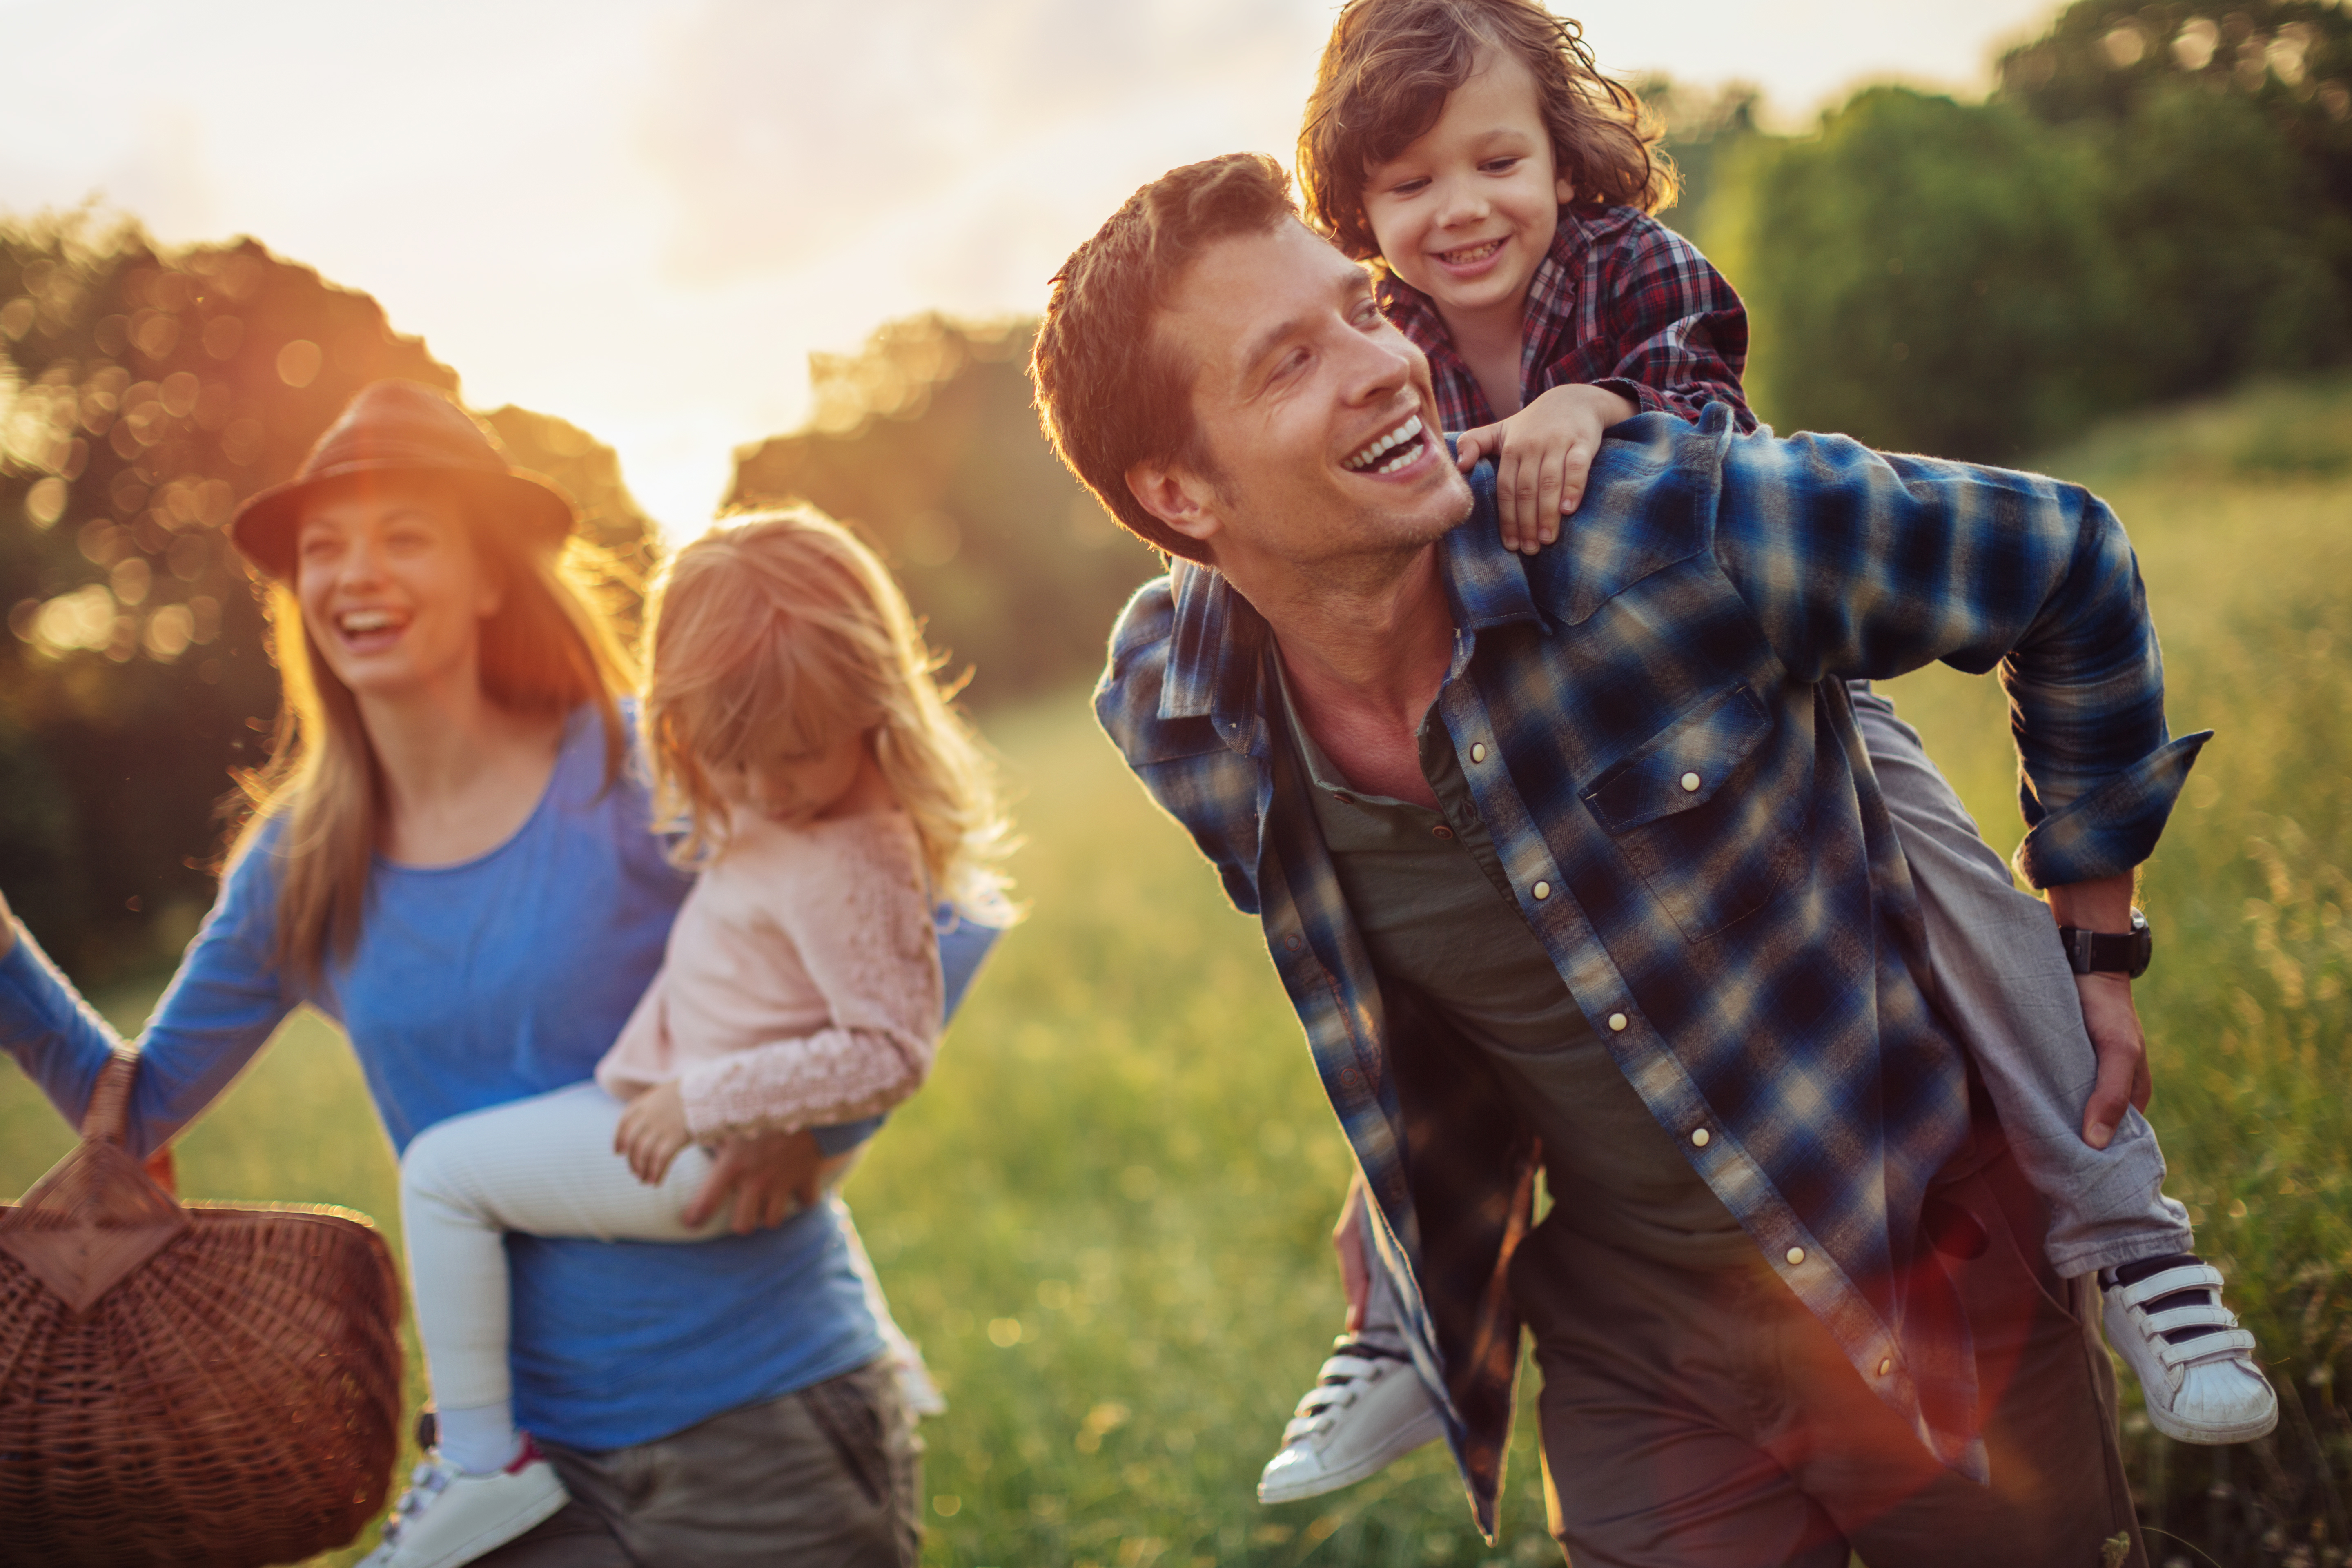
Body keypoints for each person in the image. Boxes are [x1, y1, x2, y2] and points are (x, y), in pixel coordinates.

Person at [1030, 152, 2267, 1564]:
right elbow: (1426, 967)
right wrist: (1397, 1198)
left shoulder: (1669, 533)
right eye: (1292, 360)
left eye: (1365, 310)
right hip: (1638, 1349)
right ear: (1181, 494)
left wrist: (2096, 944)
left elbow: (2066, 560)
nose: (1387, 363)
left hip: (1928, 1259)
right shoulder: (1176, 711)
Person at [0, 381, 996, 1567]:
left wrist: (815, 1138)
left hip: (762, 1418)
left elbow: (936, 917)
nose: (355, 574)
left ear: (486, 577)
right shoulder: (298, 865)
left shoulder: (633, 766)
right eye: (325, 550)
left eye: (402, 537)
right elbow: (137, 1106)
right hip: (522, 1471)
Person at [362, 511, 1013, 1568]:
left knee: (442, 1178)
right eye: (730, 759)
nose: (764, 790)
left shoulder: (854, 852)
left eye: (795, 756)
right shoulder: (786, 797)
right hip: (671, 1114)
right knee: (459, 1172)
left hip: (695, 1147)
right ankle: (483, 1459)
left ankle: (482, 1462)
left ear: (872, 701)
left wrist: (732, 1110)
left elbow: (895, 1048)